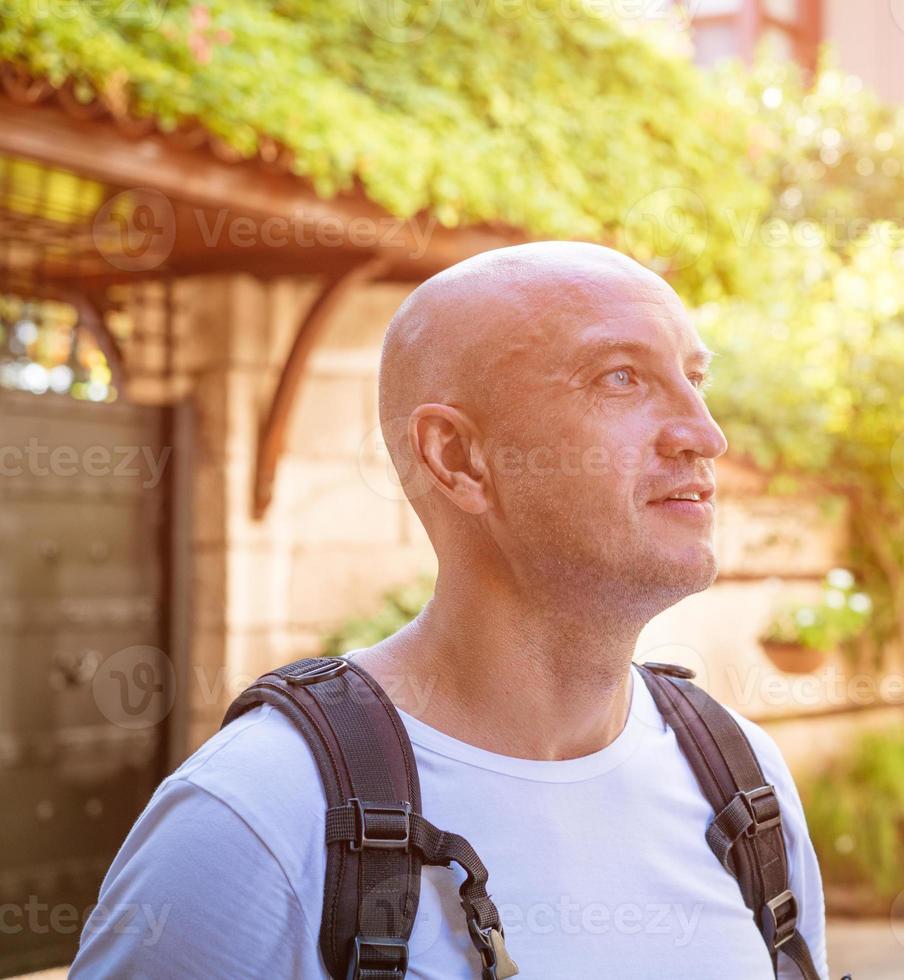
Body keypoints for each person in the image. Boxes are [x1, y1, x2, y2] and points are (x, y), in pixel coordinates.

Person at [72, 242, 829, 978]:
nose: (706, 434)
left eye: (696, 379)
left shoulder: (745, 788)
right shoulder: (254, 821)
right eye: (622, 377)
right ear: (458, 458)